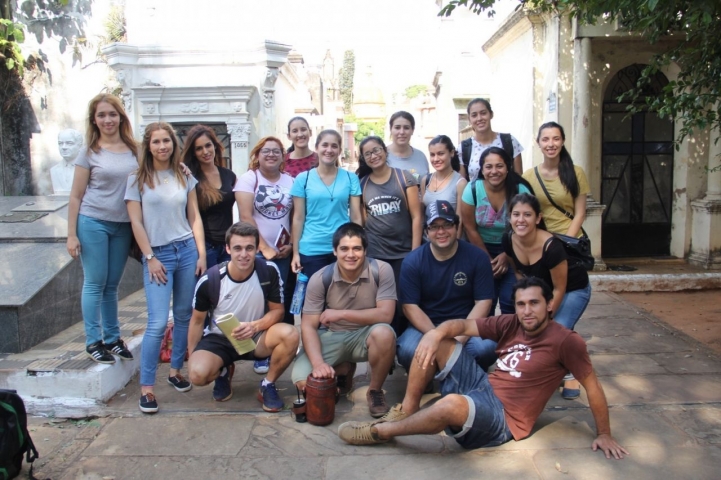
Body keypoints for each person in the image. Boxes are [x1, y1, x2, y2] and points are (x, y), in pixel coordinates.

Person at [337, 277, 629, 462]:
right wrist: (435, 334)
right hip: (483, 387)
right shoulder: (511, 323)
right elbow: (462, 326)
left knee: (450, 404)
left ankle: (383, 432)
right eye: (521, 304)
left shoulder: (566, 341)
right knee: (441, 340)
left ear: (550, 305)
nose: (527, 311)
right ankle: (408, 409)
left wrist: (604, 432)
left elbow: (593, 386)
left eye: (534, 304)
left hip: (503, 419)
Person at [125, 122, 206, 414]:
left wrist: (200, 254)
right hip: (157, 256)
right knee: (158, 322)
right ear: (148, 146)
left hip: (186, 250)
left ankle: (175, 371)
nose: (162, 146)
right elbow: (136, 222)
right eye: (156, 142)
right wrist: (150, 258)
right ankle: (147, 387)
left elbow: (194, 216)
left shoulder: (184, 175)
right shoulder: (137, 179)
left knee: (184, 314)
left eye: (167, 141)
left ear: (173, 144)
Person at [187, 222, 299, 410]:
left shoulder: (268, 271)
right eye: (237, 248)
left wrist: (255, 326)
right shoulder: (211, 279)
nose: (244, 254)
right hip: (219, 338)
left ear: (256, 248)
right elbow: (197, 322)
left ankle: (268, 384)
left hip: (255, 336)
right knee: (197, 375)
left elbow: (278, 311)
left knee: (290, 334)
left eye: (249, 248)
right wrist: (193, 357)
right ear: (228, 248)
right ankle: (222, 370)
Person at [291, 223, 397, 418]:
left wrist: (340, 314)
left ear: (365, 250)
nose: (351, 254)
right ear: (334, 251)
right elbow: (308, 325)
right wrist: (318, 364)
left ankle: (374, 391)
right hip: (332, 335)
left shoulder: (381, 270)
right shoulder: (320, 277)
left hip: (366, 336)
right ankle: (343, 369)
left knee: (385, 333)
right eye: (344, 249)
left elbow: (385, 315)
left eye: (357, 248)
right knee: (303, 381)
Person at [66, 94, 137, 365]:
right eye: (102, 115)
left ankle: (113, 338)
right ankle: (93, 341)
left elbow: (157, 170)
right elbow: (75, 196)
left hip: (123, 225)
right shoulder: (89, 153)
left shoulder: (135, 150)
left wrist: (182, 168)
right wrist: (71, 234)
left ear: (121, 117)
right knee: (95, 283)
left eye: (112, 114)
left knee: (112, 286)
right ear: (94, 120)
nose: (108, 119)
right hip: (93, 222)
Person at [523, 121, 591, 395]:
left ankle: (571, 372)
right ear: (538, 142)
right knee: (546, 310)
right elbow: (527, 211)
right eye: (546, 139)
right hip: (540, 248)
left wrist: (561, 243)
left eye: (556, 138)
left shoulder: (575, 172)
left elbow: (580, 212)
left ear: (562, 141)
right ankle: (559, 368)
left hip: (567, 246)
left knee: (562, 318)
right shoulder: (529, 175)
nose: (551, 144)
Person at [503, 193, 592, 399]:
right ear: (510, 218)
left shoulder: (552, 247)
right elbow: (518, 273)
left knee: (557, 329)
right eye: (516, 214)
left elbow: (560, 288)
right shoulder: (508, 239)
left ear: (538, 218)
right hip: (543, 290)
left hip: (573, 288)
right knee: (532, 327)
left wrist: (546, 315)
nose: (521, 220)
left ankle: (572, 373)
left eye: (527, 214)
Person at [397, 200, 496, 372]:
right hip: (426, 325)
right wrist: (437, 336)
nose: (441, 232)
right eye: (434, 227)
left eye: (447, 225)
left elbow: (484, 302)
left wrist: (459, 338)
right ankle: (426, 377)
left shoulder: (477, 257)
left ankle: (468, 376)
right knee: (407, 351)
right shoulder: (412, 262)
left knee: (486, 349)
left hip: (465, 324)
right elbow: (409, 307)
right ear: (427, 232)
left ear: (457, 227)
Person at [235, 136, 294, 374]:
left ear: (283, 156)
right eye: (266, 151)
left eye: (276, 151)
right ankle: (259, 352)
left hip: (285, 252)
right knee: (258, 303)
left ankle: (278, 348)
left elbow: (295, 216)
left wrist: (292, 245)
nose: (271, 154)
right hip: (258, 253)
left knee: (279, 302)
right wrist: (264, 248)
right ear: (257, 155)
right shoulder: (249, 179)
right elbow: (246, 216)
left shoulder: (291, 180)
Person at [356, 135, 423, 335]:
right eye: (367, 153)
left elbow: (417, 217)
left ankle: (404, 344)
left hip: (404, 253)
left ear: (385, 151)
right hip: (377, 255)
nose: (373, 156)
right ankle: (386, 347)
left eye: (376, 150)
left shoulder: (404, 177)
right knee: (382, 303)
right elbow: (364, 220)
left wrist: (415, 252)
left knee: (405, 302)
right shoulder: (362, 184)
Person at [460, 147, 533, 315]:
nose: (494, 171)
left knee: (511, 300)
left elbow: (528, 226)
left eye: (499, 166)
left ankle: (511, 340)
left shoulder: (520, 190)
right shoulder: (472, 190)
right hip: (480, 250)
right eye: (489, 166)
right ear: (482, 169)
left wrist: (506, 255)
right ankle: (486, 341)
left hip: (516, 249)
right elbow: (470, 227)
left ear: (508, 167)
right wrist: (488, 260)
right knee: (485, 302)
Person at [290, 129, 362, 280]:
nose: (329, 150)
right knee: (316, 298)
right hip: (312, 249)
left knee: (343, 297)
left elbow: (356, 216)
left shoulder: (350, 178)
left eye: (334, 146)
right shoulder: (303, 179)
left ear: (340, 150)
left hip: (343, 247)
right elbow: (298, 218)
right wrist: (295, 253)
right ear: (316, 148)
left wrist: (359, 247)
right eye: (325, 145)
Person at [181, 125, 237, 269]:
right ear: (193, 153)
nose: (205, 151)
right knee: (210, 290)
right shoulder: (189, 176)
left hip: (227, 246)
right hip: (204, 247)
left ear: (215, 145)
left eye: (208, 145)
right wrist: (202, 254)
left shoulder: (229, 175)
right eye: (199, 148)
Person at [459, 98, 524, 181]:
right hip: (476, 194)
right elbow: (462, 183)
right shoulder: (464, 148)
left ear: (491, 114)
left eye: (483, 113)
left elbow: (519, 180)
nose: (479, 118)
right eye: (474, 115)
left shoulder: (509, 141)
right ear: (469, 119)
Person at [420, 135, 467, 238]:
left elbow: (460, 221)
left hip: (449, 241)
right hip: (429, 241)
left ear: (451, 153)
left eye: (440, 154)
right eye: (432, 155)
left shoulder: (460, 183)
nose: (436, 159)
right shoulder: (426, 180)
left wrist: (454, 247)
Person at [385, 111, 429, 180]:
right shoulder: (382, 157)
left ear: (412, 130)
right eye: (397, 127)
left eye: (406, 128)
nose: (402, 132)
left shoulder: (421, 156)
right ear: (390, 129)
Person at [51, 129, 83, 194]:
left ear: (80, 146)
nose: (64, 147)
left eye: (69, 143)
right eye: (60, 143)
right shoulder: (54, 170)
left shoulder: (86, 169)